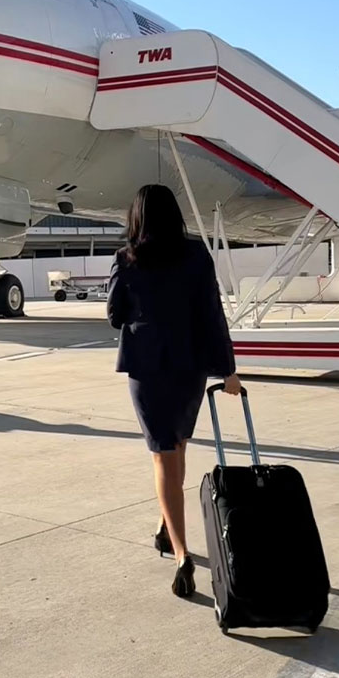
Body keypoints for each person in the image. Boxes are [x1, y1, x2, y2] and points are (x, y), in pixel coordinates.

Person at [107, 184, 242, 598]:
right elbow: (212, 315)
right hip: (189, 369)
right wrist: (229, 372)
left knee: (163, 456)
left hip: (147, 369)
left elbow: (114, 315)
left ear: (138, 216)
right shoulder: (197, 255)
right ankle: (168, 527)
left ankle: (182, 553)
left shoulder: (127, 258)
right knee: (179, 447)